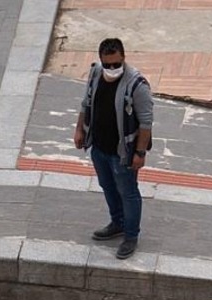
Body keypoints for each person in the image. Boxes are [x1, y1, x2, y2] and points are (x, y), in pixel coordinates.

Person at [73, 37, 154, 260]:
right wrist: (80, 129)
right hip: (99, 147)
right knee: (108, 187)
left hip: (123, 153)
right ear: (101, 60)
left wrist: (139, 153)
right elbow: (86, 103)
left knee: (128, 192)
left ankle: (130, 236)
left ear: (123, 59)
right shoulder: (95, 73)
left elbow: (146, 122)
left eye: (116, 64)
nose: (111, 69)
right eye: (107, 64)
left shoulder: (137, 85)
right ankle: (117, 223)